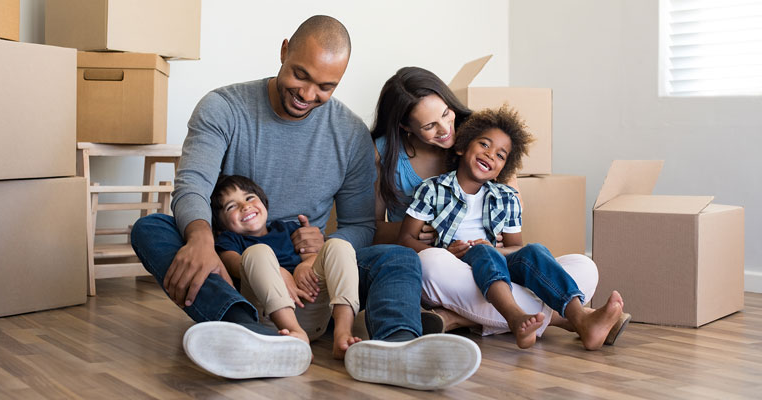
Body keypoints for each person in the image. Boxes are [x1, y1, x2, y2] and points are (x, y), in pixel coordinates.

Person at [131, 16, 481, 390]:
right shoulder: (223, 107)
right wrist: (201, 238)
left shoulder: (349, 134)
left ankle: (395, 346)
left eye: (325, 86)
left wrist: (320, 250)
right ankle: (244, 329)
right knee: (151, 229)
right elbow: (193, 184)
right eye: (301, 75)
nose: (308, 94)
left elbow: (361, 224)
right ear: (284, 51)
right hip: (235, 262)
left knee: (397, 257)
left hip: (313, 278)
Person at [371, 66, 630, 345]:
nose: (447, 130)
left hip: (496, 264)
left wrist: (495, 249)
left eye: (446, 113)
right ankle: (566, 319)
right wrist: (433, 237)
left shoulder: (486, 141)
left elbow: (515, 244)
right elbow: (375, 230)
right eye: (429, 125)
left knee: (584, 266)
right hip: (444, 266)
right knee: (433, 263)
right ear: (405, 127)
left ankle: (456, 318)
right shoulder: (418, 179)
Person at [210, 174, 361, 359]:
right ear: (220, 224)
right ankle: (295, 333)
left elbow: (313, 256)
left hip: (312, 306)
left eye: (249, 198)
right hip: (272, 318)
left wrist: (304, 266)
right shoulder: (229, 240)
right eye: (231, 206)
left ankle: (343, 333)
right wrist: (278, 271)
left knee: (339, 246)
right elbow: (234, 265)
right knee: (258, 252)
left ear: (264, 203)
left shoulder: (287, 229)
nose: (245, 206)